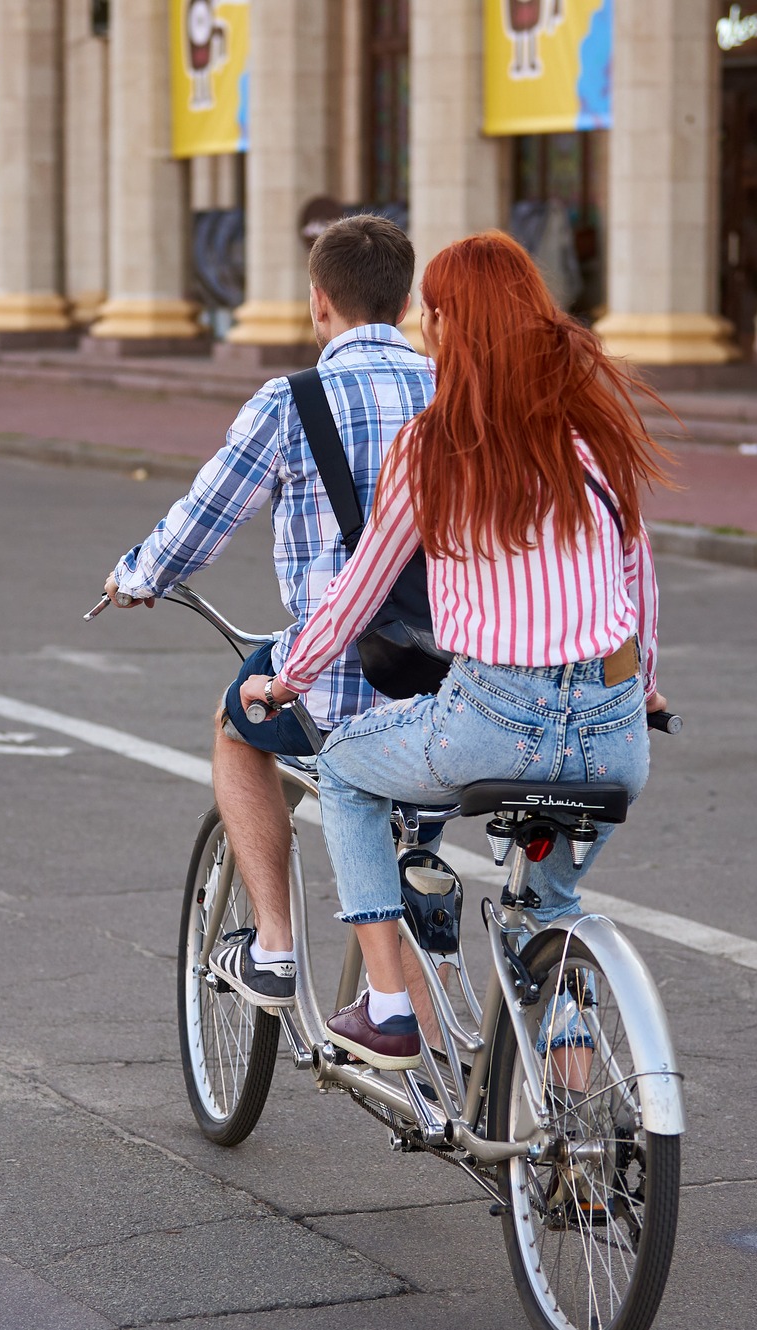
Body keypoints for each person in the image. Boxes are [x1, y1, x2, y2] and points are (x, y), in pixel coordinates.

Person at [241, 232, 672, 1069]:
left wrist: (288, 679)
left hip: (491, 725)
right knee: (551, 914)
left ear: (443, 322)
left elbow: (360, 590)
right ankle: (579, 1160)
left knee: (345, 771)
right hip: (616, 740)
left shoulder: (432, 448)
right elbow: (638, 592)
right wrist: (646, 689)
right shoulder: (592, 446)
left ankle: (390, 1007)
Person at [99, 215, 434, 1009]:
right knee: (412, 866)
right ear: (407, 299)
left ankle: (275, 948)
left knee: (234, 723)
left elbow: (204, 516)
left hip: (335, 679)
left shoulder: (292, 402)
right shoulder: (455, 392)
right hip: (450, 673)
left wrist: (138, 575)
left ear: (320, 303)